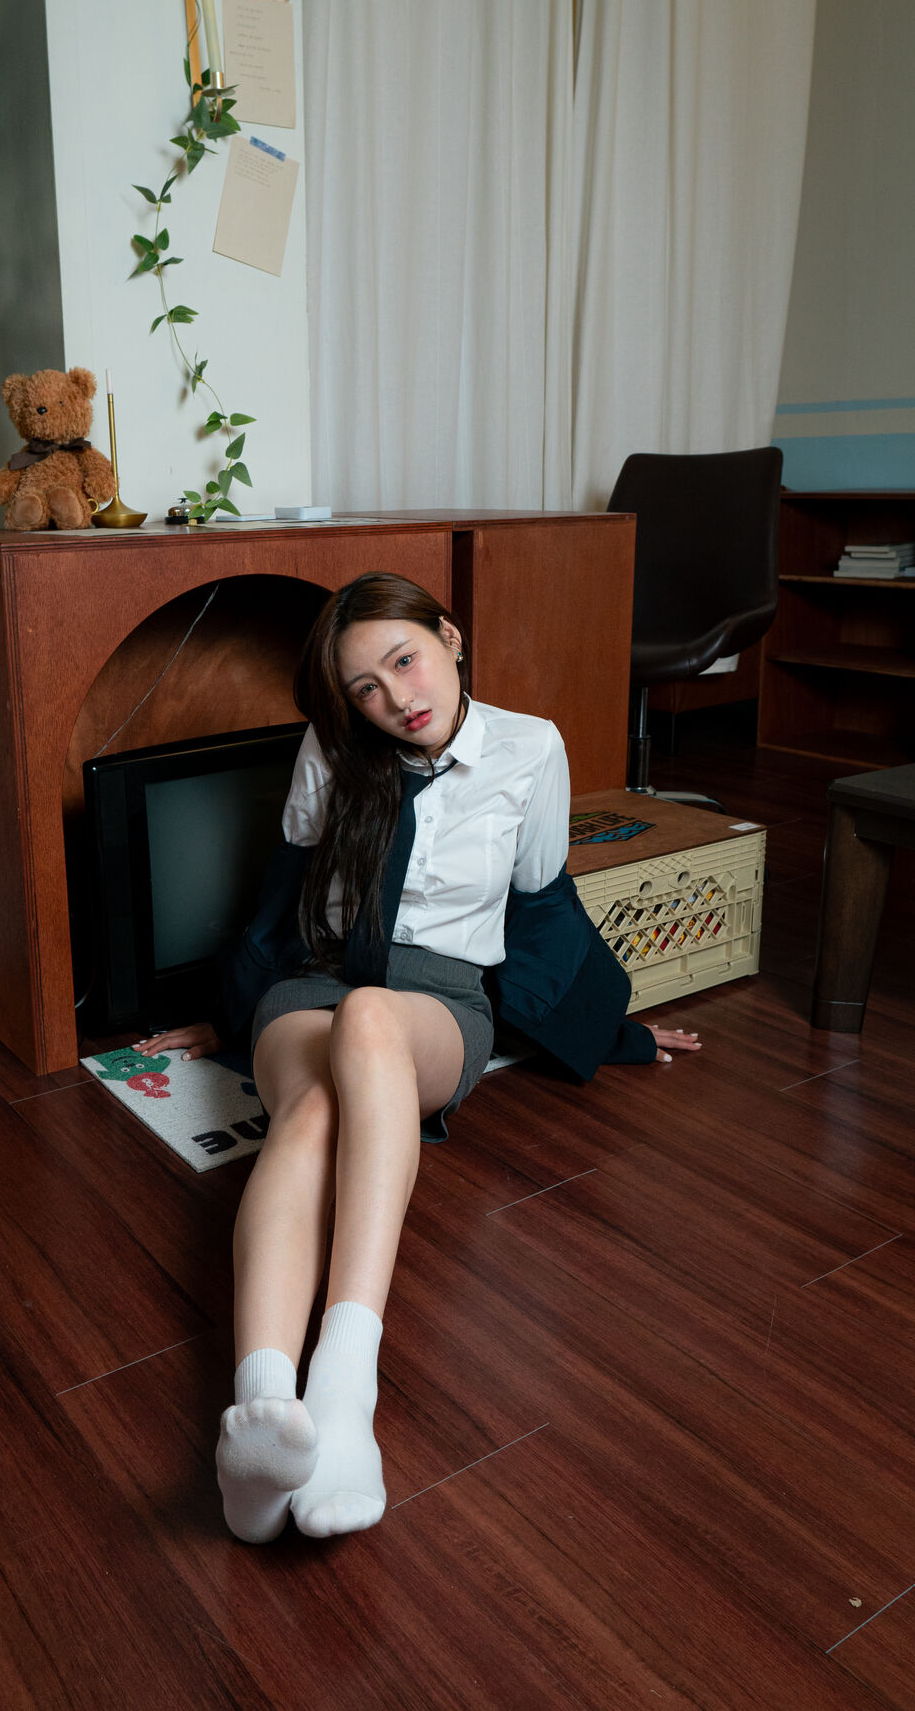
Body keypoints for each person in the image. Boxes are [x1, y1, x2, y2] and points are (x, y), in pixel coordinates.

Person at [132, 572, 700, 1545]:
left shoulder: (531, 747)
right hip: (315, 983)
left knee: (370, 1024)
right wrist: (224, 1017)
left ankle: (343, 1387)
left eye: (406, 660)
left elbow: (543, 909)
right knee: (309, 1112)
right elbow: (281, 896)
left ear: (450, 636)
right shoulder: (332, 749)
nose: (397, 698)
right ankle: (263, 1415)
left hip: (438, 1004)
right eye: (366, 688)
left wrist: (614, 1031)